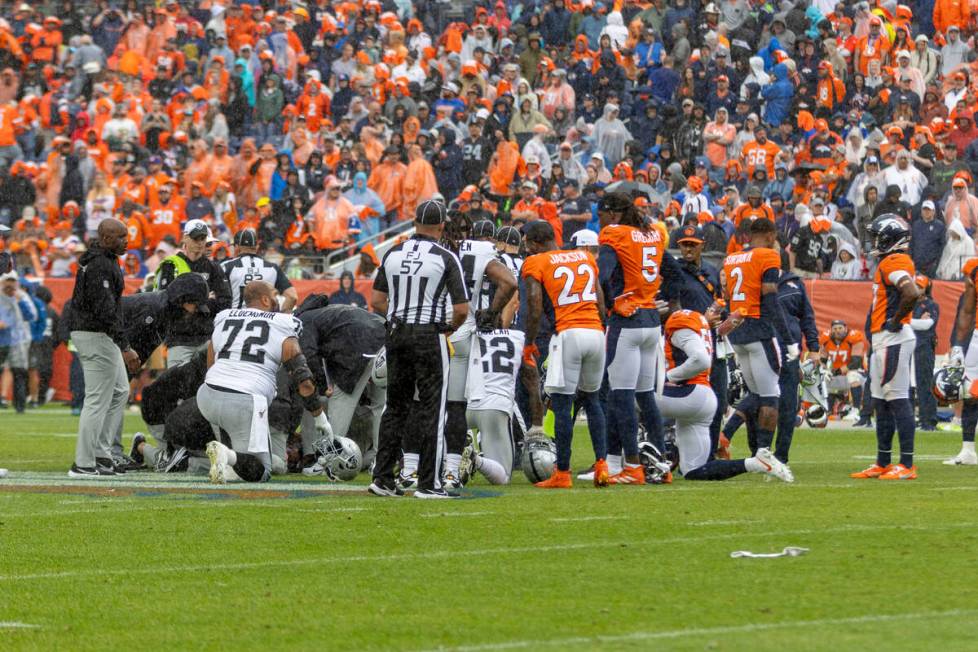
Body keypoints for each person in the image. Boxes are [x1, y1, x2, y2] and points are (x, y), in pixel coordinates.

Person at [369, 200, 470, 499]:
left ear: (414, 223)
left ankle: (382, 478)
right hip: (428, 334)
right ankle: (428, 482)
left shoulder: (393, 252)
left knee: (395, 407)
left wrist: (400, 315)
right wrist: (445, 326)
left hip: (396, 332)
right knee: (433, 408)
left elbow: (376, 300)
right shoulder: (445, 256)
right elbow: (462, 309)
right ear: (442, 227)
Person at [199, 281, 328, 484]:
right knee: (262, 471)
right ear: (266, 299)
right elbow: (302, 378)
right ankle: (228, 456)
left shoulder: (224, 317)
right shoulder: (284, 322)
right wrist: (319, 416)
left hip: (208, 394)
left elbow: (211, 359)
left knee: (239, 465)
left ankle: (229, 461)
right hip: (245, 399)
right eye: (276, 294)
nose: (278, 299)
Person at [596, 192, 682, 482]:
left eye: (601, 215)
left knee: (620, 397)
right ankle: (661, 465)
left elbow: (603, 274)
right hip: (650, 321)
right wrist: (668, 301)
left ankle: (632, 465)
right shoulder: (653, 234)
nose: (600, 221)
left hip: (628, 321)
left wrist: (611, 301)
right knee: (646, 398)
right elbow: (675, 274)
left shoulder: (615, 234)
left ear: (612, 214)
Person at [522, 220, 609, 489]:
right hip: (595, 331)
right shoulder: (584, 256)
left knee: (561, 404)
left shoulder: (536, 261)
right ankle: (602, 465)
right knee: (593, 401)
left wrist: (529, 343)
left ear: (534, 242)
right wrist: (599, 328)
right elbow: (600, 301)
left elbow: (535, 307)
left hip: (567, 333)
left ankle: (562, 472)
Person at [659, 308, 791, 482]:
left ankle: (624, 461)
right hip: (704, 399)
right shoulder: (700, 320)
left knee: (629, 398)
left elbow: (701, 359)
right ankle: (756, 463)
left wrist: (665, 377)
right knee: (694, 471)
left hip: (688, 393)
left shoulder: (679, 320)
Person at [442, 218, 517, 491]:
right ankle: (455, 461)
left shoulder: (429, 249)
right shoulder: (479, 250)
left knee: (432, 405)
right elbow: (509, 283)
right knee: (457, 405)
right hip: (466, 334)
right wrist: (491, 314)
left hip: (435, 332)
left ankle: (415, 464)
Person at [67, 218, 141, 478]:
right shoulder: (100, 264)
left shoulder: (105, 259)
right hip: (94, 333)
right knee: (98, 398)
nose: (127, 241)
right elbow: (105, 309)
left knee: (120, 390)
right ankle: (83, 463)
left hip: (98, 332)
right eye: (121, 236)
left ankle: (101, 453)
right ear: (106, 238)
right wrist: (125, 345)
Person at [722, 218, 798, 464]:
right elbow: (770, 298)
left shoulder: (731, 258)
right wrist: (787, 339)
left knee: (755, 393)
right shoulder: (767, 256)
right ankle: (764, 455)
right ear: (770, 234)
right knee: (770, 396)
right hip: (759, 330)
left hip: (737, 333)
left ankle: (725, 436)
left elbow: (727, 297)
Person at [851, 215, 921, 481]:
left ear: (892, 239)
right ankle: (882, 461)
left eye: (879, 236)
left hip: (893, 338)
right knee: (880, 401)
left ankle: (907, 464)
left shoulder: (895, 260)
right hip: (885, 339)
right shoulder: (890, 261)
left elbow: (912, 292)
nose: (876, 241)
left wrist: (894, 321)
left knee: (898, 398)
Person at [296, 299, 387, 474]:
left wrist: (322, 386)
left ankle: (329, 459)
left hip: (360, 344)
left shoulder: (302, 323)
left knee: (340, 400)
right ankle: (381, 459)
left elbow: (310, 357)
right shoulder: (324, 312)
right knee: (380, 405)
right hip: (382, 334)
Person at [156, 219, 232, 367]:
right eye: (195, 238)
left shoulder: (213, 267)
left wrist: (191, 303)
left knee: (207, 385)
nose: (199, 242)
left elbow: (225, 303)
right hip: (179, 338)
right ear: (185, 238)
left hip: (206, 338)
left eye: (202, 238)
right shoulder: (171, 265)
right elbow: (164, 302)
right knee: (176, 385)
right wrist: (205, 301)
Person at [946, 257, 978, 465]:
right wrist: (958, 345)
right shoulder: (975, 271)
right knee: (970, 392)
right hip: (977, 338)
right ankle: (968, 449)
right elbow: (967, 310)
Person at [221, 228, 296, 311]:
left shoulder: (226, 266)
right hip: (265, 320)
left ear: (237, 247)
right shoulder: (272, 268)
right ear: (256, 247)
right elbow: (292, 296)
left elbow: (215, 296)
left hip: (235, 320)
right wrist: (281, 316)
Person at [819, 320, 867, 418]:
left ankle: (856, 410)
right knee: (823, 377)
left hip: (859, 374)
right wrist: (824, 369)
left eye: (840, 328)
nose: (838, 331)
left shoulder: (854, 337)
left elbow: (856, 363)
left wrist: (837, 371)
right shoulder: (825, 339)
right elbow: (822, 359)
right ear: (831, 330)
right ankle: (828, 410)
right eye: (835, 328)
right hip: (839, 375)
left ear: (845, 329)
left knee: (852, 375)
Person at [911, 275, 939, 431]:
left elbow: (927, 324)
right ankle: (914, 418)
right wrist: (915, 321)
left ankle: (928, 419)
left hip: (924, 347)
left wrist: (907, 321)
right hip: (909, 346)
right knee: (908, 385)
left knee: (925, 383)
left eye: (920, 286)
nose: (916, 288)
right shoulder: (908, 303)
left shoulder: (931, 305)